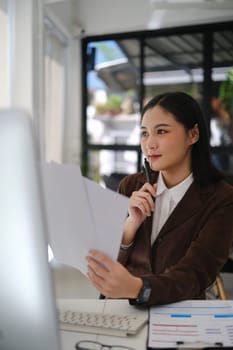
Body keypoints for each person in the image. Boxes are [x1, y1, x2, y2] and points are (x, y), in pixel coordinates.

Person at [86, 92, 233, 307]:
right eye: (144, 133)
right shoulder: (130, 186)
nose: (149, 144)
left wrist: (139, 288)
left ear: (193, 135)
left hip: (179, 317)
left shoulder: (222, 199)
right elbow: (106, 265)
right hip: (121, 311)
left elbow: (196, 274)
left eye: (161, 131)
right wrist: (130, 228)